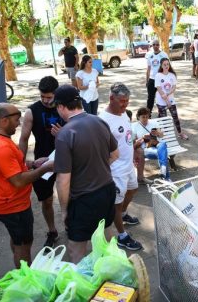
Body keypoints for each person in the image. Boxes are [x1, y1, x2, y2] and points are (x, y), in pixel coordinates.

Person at [53, 85, 119, 263]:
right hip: (107, 190)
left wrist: (64, 211)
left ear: (61, 107)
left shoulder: (65, 134)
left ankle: (84, 287)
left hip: (83, 198)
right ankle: (113, 275)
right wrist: (96, 166)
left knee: (76, 248)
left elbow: (63, 181)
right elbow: (115, 154)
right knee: (106, 236)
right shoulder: (99, 121)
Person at [0, 103, 53, 268]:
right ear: (3, 121)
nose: (19, 123)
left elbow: (13, 166)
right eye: (16, 120)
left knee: (17, 241)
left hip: (11, 204)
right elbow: (19, 180)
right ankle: (25, 278)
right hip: (13, 206)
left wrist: (33, 164)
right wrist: (45, 169)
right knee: (24, 246)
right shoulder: (1, 147)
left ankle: (21, 272)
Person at [19, 76, 64, 249]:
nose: (45, 100)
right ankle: (52, 231)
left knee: (70, 195)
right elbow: (23, 139)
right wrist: (20, 163)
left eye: (49, 97)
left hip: (65, 158)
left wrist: (63, 133)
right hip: (42, 163)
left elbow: (78, 132)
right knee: (46, 200)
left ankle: (71, 225)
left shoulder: (64, 107)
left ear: (56, 94)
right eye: (42, 96)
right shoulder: (32, 111)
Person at [99, 83, 143, 251]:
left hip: (128, 164)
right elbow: (102, 149)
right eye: (122, 101)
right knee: (115, 204)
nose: (125, 105)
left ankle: (123, 214)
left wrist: (134, 152)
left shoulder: (123, 114)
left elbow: (128, 137)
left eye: (127, 101)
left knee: (133, 190)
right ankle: (121, 236)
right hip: (115, 169)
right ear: (111, 98)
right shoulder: (103, 120)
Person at [132, 107, 171, 181]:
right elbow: (134, 144)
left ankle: (163, 169)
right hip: (146, 149)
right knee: (163, 153)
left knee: (163, 144)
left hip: (157, 145)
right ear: (138, 117)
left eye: (147, 116)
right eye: (143, 117)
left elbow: (162, 135)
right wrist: (143, 138)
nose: (145, 119)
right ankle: (167, 178)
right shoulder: (134, 126)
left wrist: (158, 133)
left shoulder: (154, 123)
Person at [155, 58, 188, 140]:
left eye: (167, 64)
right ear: (161, 66)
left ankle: (180, 133)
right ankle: (165, 137)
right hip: (161, 101)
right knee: (164, 120)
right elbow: (159, 89)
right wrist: (166, 101)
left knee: (175, 117)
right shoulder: (158, 75)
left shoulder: (172, 75)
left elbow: (174, 87)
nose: (166, 66)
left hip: (171, 99)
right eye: (164, 65)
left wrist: (168, 95)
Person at [145, 39, 169, 112]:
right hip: (152, 80)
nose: (156, 46)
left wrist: (167, 78)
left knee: (162, 97)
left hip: (161, 79)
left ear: (159, 45)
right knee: (150, 98)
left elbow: (167, 67)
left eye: (157, 44)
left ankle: (162, 113)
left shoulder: (164, 55)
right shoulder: (150, 55)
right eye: (154, 44)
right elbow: (148, 69)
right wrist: (147, 81)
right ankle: (148, 114)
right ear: (152, 46)